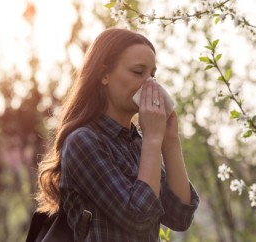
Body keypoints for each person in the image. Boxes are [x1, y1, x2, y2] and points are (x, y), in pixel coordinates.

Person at [35, 28, 199, 241]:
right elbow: (137, 218)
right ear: (104, 75)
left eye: (153, 74)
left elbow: (180, 217)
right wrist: (152, 140)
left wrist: (170, 142)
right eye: (138, 72)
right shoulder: (84, 142)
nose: (151, 84)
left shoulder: (138, 144)